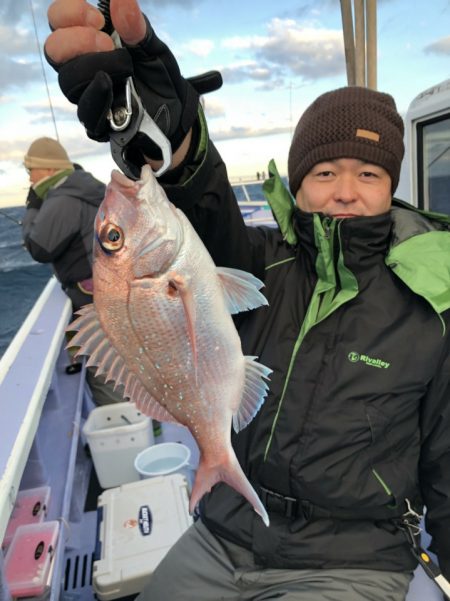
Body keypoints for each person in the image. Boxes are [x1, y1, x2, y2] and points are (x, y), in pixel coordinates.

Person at [44, 2, 450, 600]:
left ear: (393, 188)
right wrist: (171, 136)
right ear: (298, 181)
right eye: (325, 172)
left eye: (368, 175)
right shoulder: (260, 261)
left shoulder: (430, 307)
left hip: (353, 558)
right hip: (225, 528)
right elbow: (202, 201)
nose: (344, 192)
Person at [22, 136, 123, 406]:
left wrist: (33, 207)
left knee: (106, 370)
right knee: (126, 365)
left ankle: (124, 435)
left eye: (31, 168)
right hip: (110, 290)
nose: (29, 176)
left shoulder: (63, 198)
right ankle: (150, 427)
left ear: (51, 170)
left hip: (90, 298)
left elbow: (39, 247)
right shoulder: (88, 187)